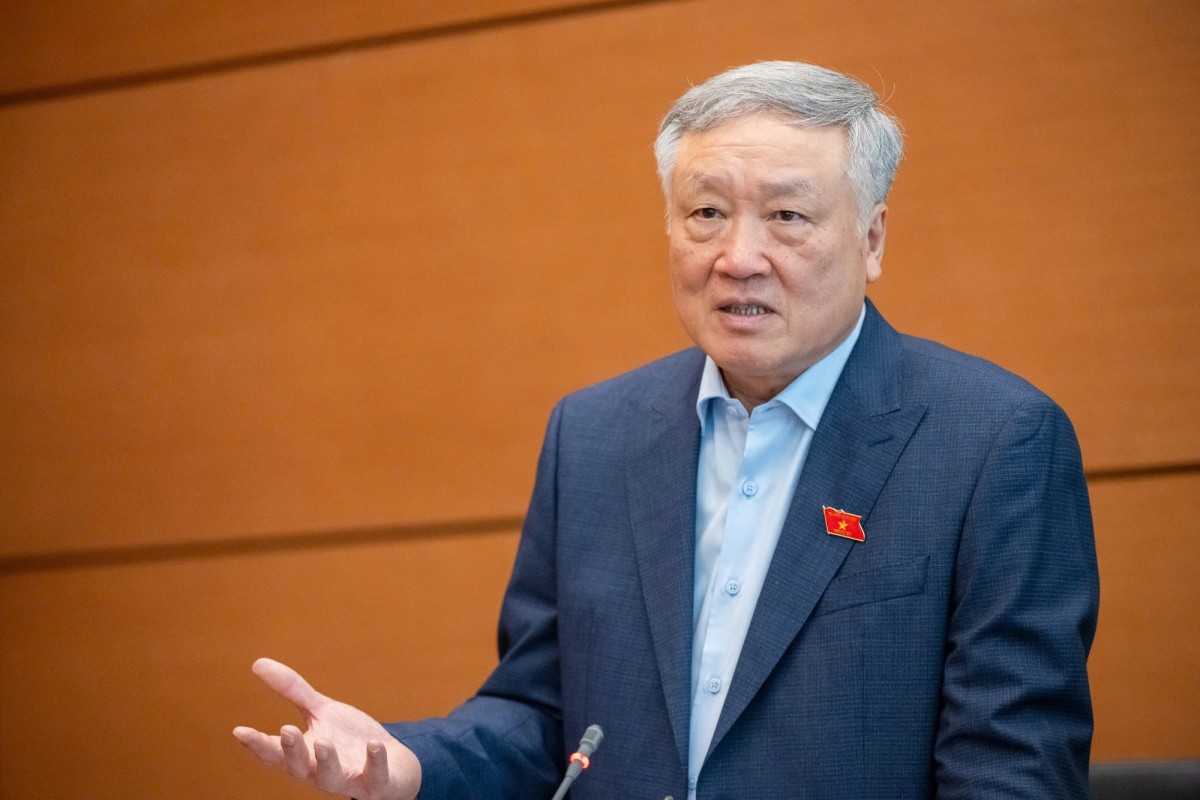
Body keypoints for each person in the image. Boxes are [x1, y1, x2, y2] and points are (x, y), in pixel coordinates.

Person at [234, 61, 1099, 799]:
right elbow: (543, 714)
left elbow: (1011, 769)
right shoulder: (594, 435)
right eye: (706, 213)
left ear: (872, 239)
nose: (738, 257)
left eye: (788, 217)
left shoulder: (993, 443)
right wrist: (408, 762)